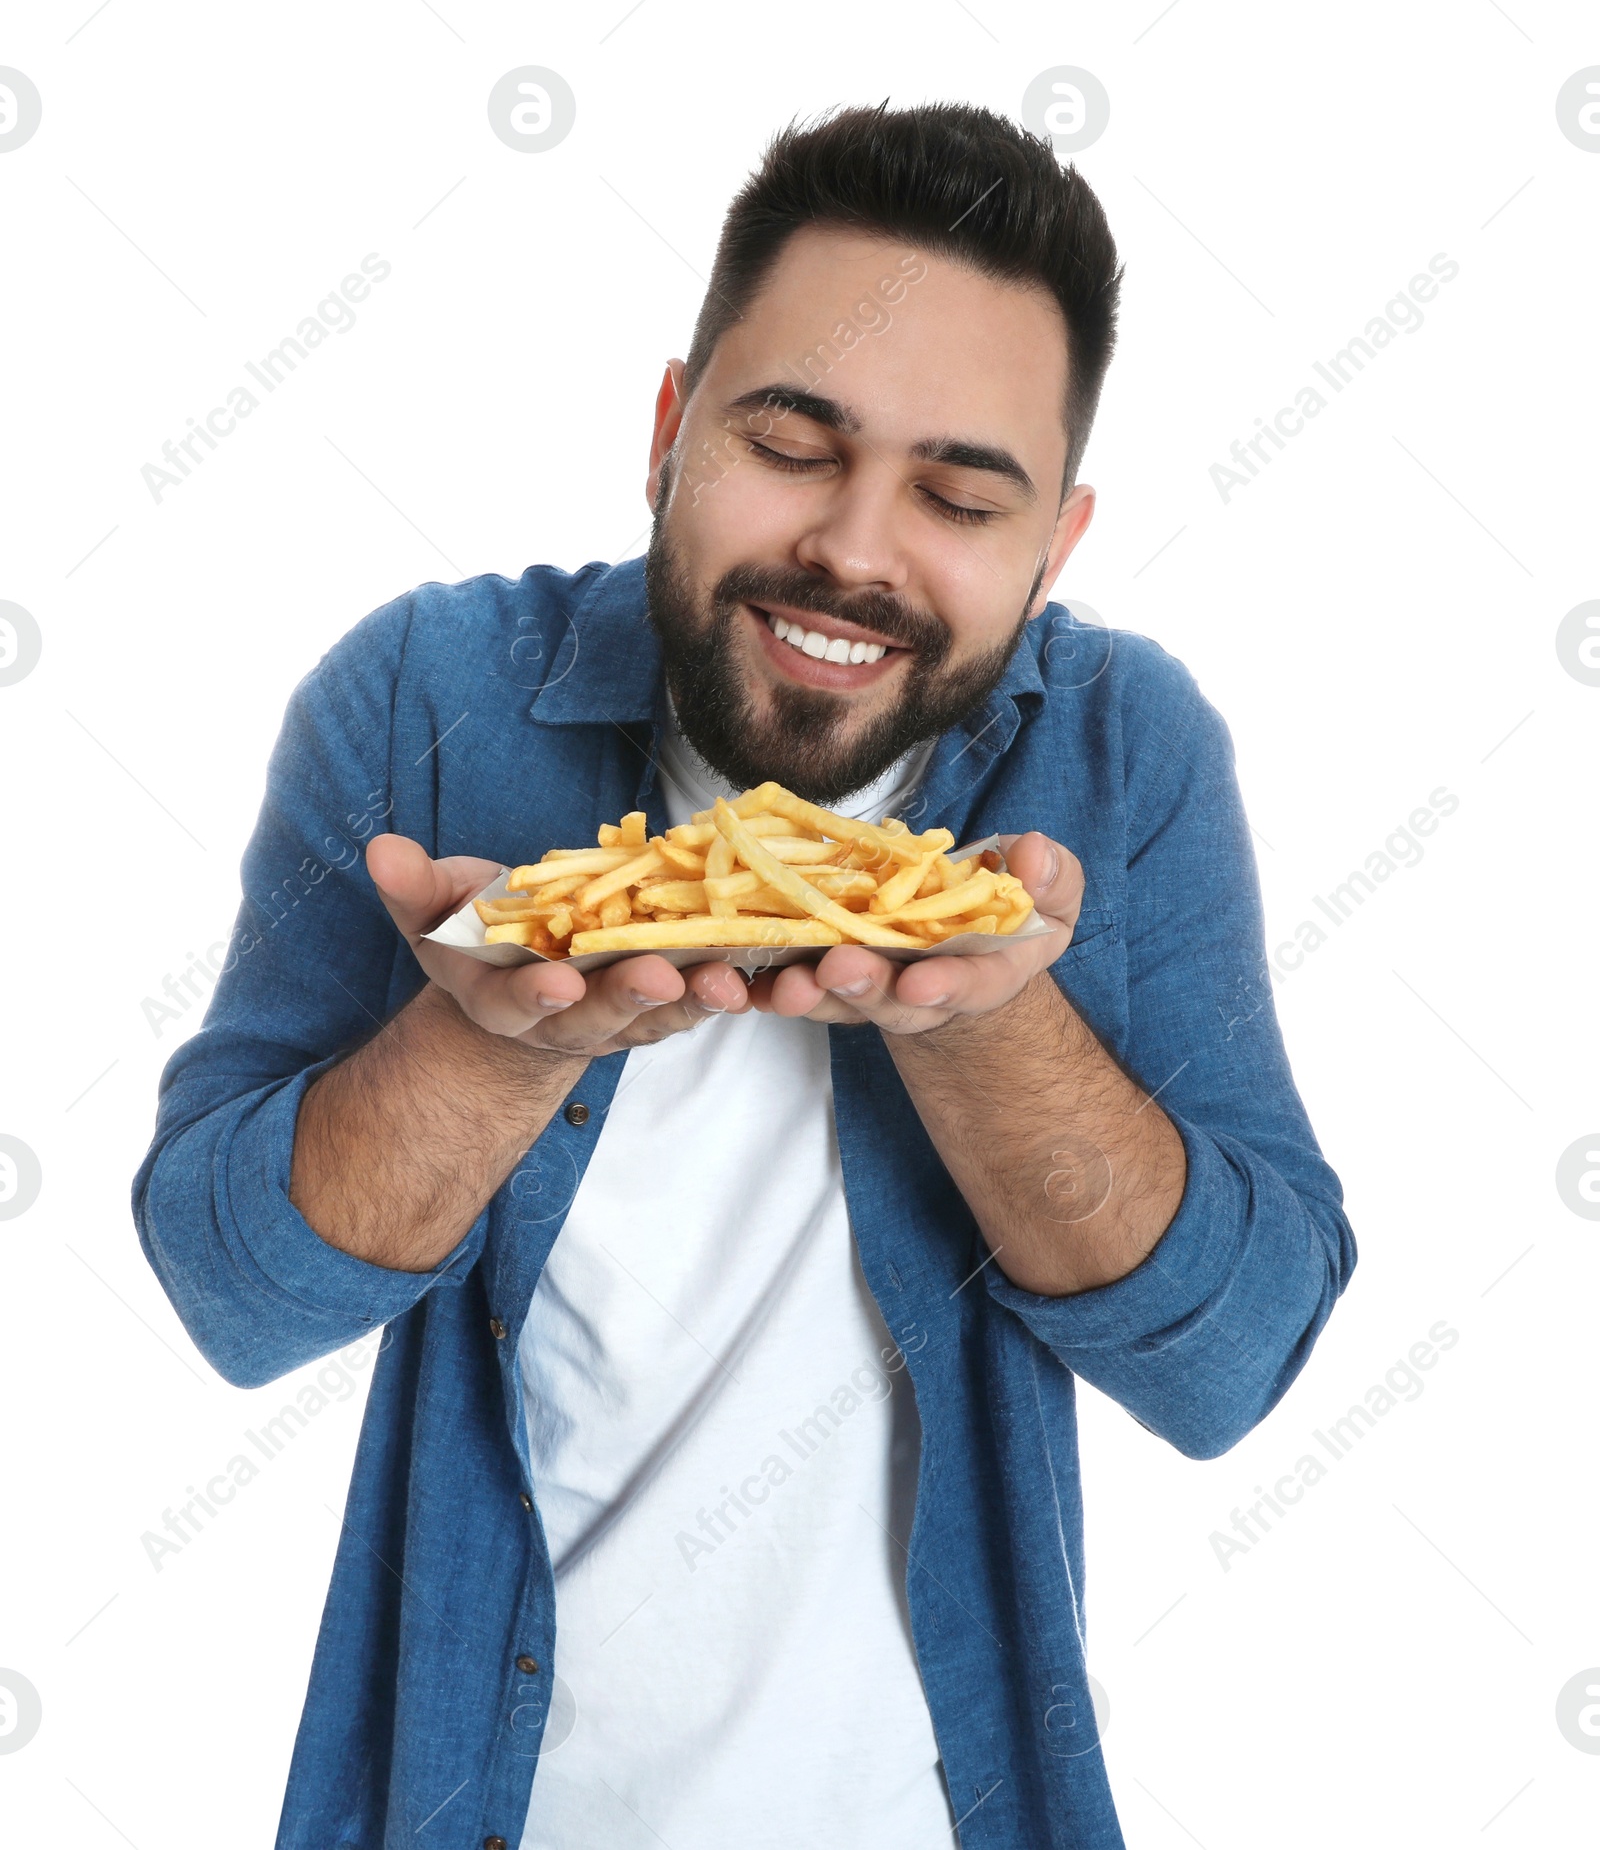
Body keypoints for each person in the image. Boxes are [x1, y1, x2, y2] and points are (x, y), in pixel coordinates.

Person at [133, 99, 1355, 1850]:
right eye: (792, 441)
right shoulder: (424, 697)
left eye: (957, 492)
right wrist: (491, 1040)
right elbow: (228, 1291)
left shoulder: (1122, 749)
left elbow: (1233, 1363)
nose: (856, 548)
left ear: (1056, 547)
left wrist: (991, 1021)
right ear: (668, 431)